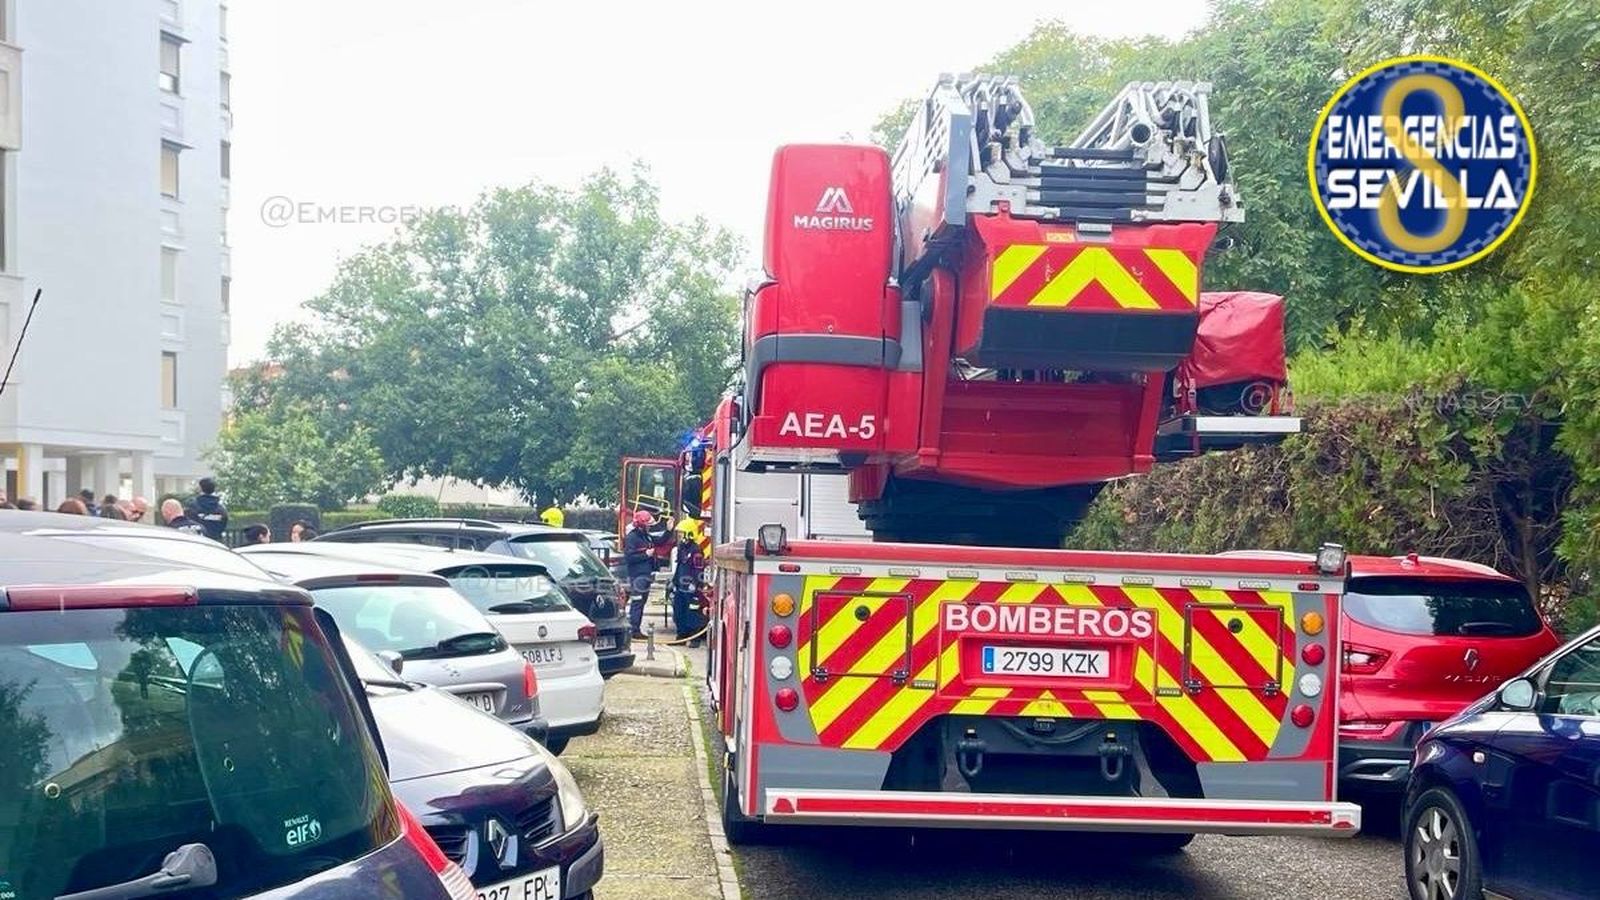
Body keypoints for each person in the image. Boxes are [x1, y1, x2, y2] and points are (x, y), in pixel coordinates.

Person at [622, 509, 673, 640]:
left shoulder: (646, 536)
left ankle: (636, 628)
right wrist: (645, 555)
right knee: (637, 602)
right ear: (641, 525)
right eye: (648, 525)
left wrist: (668, 530)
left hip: (646, 575)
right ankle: (634, 630)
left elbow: (660, 541)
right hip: (638, 576)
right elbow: (629, 558)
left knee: (642, 602)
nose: (650, 527)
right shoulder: (632, 538)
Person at [670, 519, 708, 645]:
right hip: (680, 586)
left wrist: (695, 584)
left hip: (691, 588)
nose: (680, 536)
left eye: (682, 533)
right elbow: (680, 566)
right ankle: (681, 636)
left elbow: (698, 569)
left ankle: (694, 638)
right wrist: (674, 582)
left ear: (689, 534)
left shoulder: (696, 551)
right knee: (679, 612)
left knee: (692, 613)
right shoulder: (682, 549)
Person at [188, 476, 229, 542]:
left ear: (200, 488)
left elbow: (189, 523)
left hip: (198, 542)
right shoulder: (221, 509)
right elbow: (224, 524)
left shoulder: (193, 507)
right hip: (216, 544)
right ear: (214, 489)